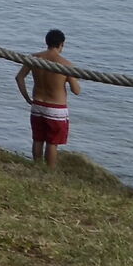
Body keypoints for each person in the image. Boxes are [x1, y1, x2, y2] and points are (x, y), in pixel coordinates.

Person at [17, 28, 81, 167]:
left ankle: (37, 166)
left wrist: (27, 98)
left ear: (47, 42)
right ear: (61, 44)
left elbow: (19, 77)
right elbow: (76, 91)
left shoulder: (34, 58)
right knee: (52, 143)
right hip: (56, 108)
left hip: (38, 104)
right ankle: (49, 171)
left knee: (38, 139)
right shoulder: (65, 64)